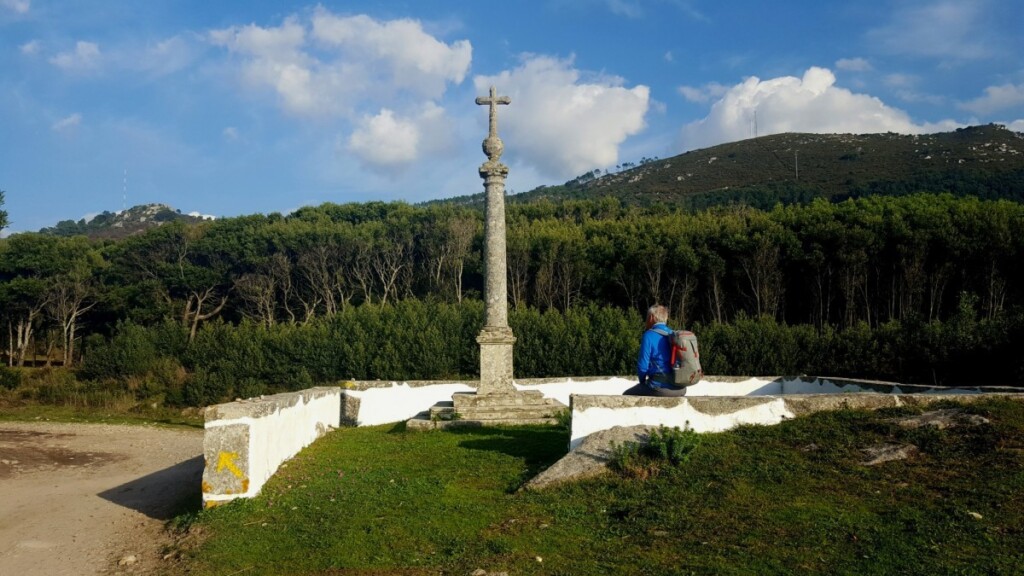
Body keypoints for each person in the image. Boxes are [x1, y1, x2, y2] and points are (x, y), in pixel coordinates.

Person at [623, 304, 688, 397]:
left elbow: (642, 367)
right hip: (681, 389)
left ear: (651, 318)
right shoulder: (674, 335)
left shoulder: (648, 335)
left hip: (661, 389)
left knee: (626, 395)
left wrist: (642, 382)